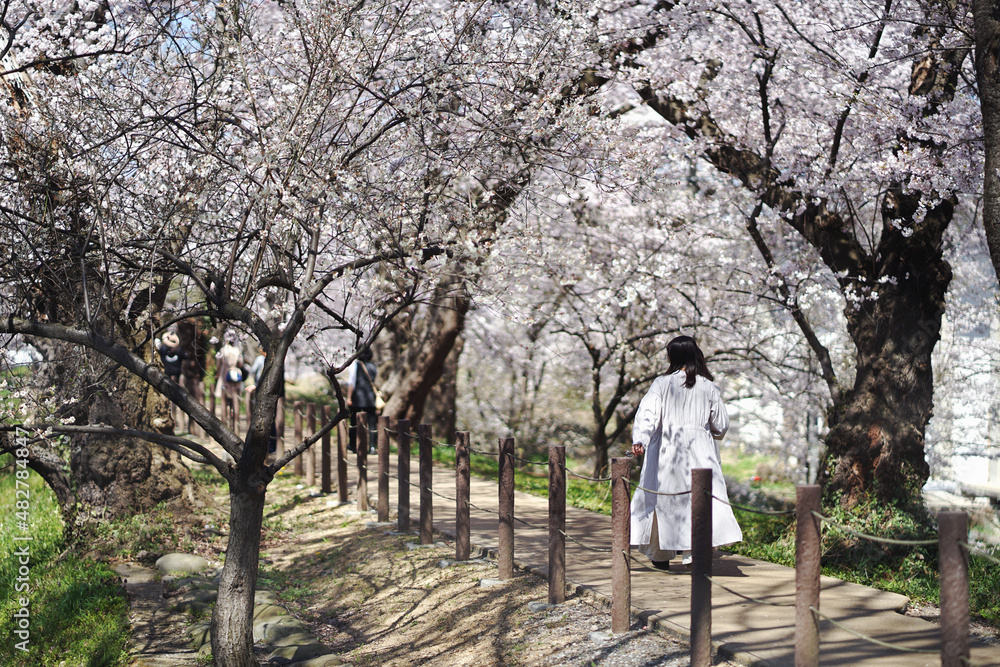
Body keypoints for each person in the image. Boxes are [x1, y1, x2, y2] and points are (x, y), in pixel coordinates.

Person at [629, 335, 742, 570]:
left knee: (664, 499)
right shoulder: (708, 386)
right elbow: (721, 424)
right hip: (701, 451)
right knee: (698, 500)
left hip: (666, 450)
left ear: (672, 357)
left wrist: (641, 438)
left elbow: (648, 414)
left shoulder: (661, 384)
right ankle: (694, 555)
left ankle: (660, 555)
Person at [346, 348, 378, 454]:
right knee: (372, 423)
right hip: (370, 399)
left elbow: (352, 383)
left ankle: (353, 445)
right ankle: (372, 447)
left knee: (354, 422)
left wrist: (349, 397)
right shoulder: (373, 366)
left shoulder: (356, 365)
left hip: (358, 399)